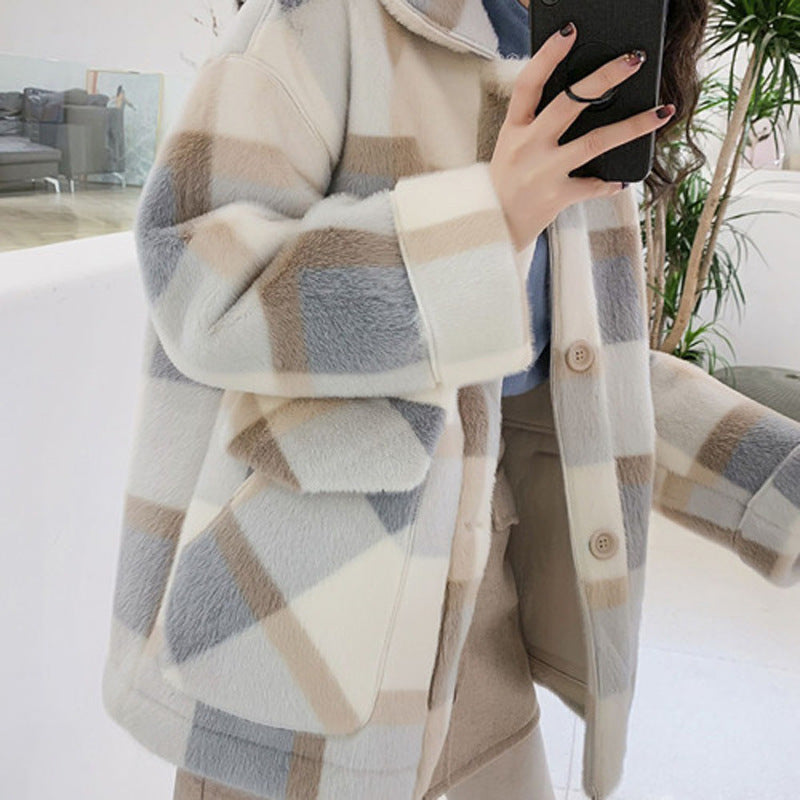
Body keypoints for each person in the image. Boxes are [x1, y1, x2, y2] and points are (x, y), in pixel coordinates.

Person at [100, 0, 800, 798]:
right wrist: (488, 221)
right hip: (294, 636)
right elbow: (198, 285)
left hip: (481, 614)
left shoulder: (589, 58)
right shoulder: (324, 19)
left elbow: (578, 372)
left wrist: (782, 483)